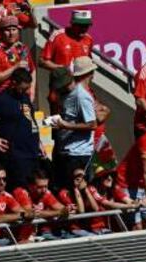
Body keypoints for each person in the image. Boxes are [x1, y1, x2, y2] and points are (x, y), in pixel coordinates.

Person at [0, 67, 42, 190]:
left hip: (33, 152)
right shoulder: (0, 100)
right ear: (13, 83)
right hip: (16, 156)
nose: (25, 91)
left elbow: (31, 120)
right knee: (21, 191)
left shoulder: (25, 97)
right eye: (22, 88)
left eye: (27, 88)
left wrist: (39, 142)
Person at [52, 58, 96, 190]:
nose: (64, 87)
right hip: (66, 151)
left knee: (79, 192)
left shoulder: (81, 96)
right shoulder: (64, 94)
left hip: (79, 154)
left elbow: (92, 124)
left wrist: (65, 125)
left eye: (66, 84)